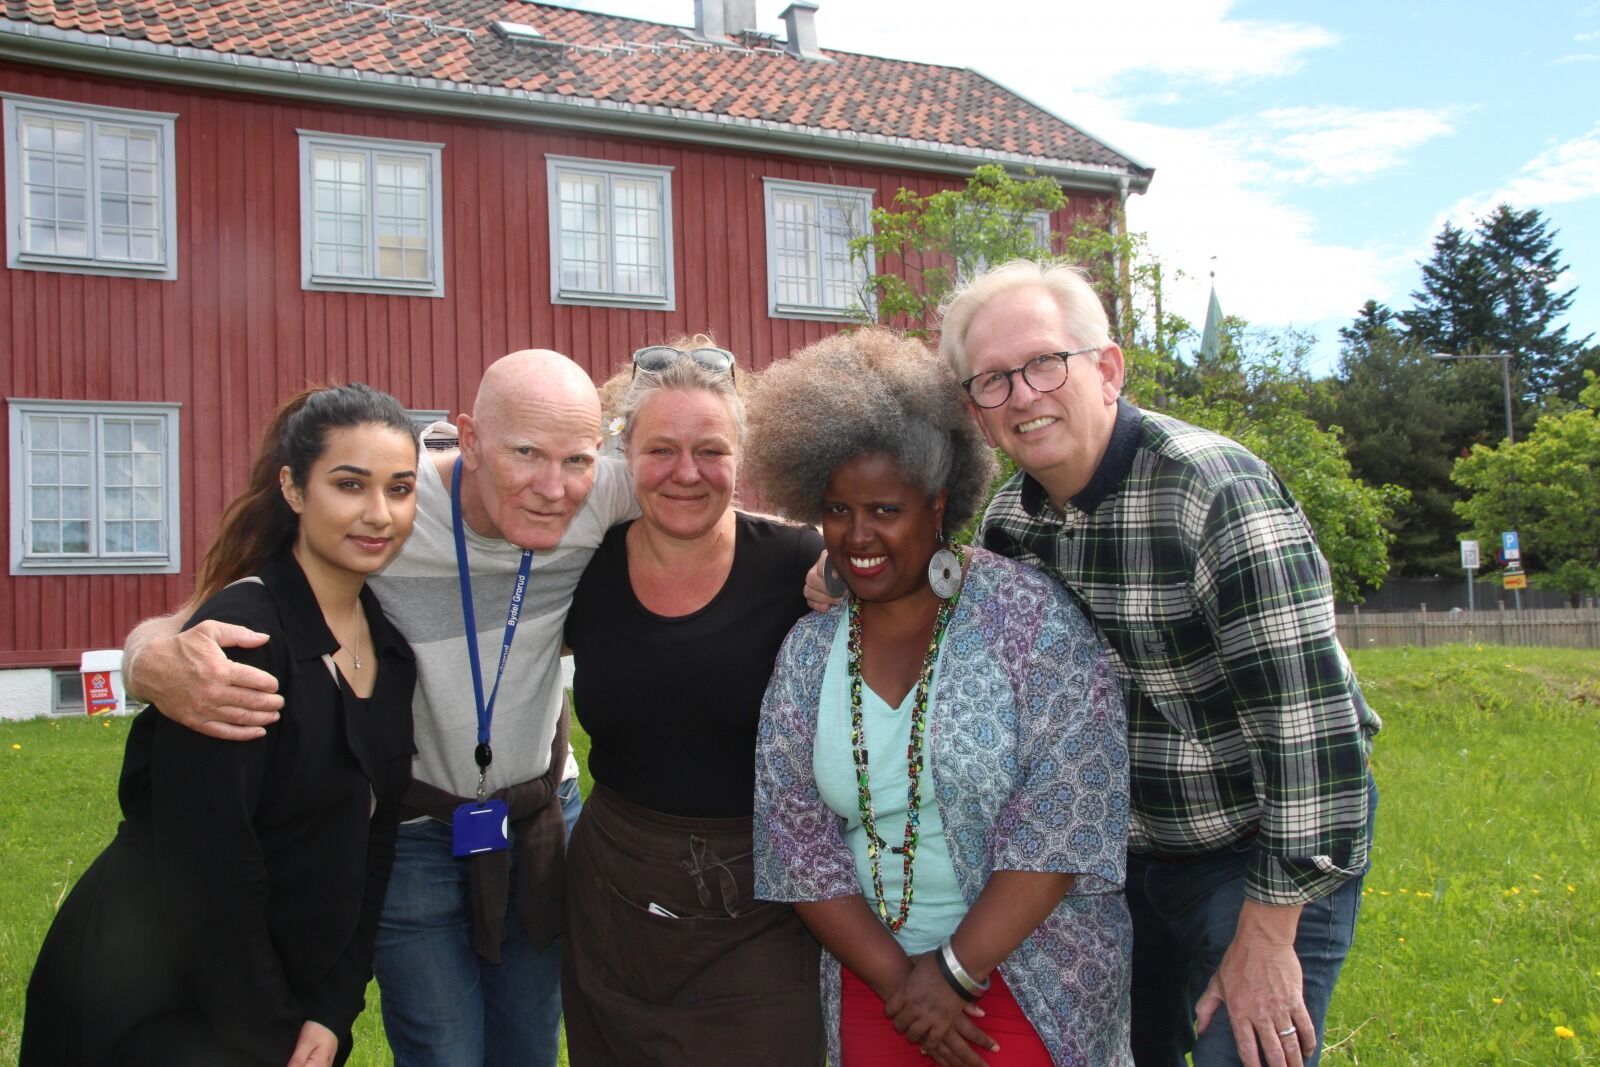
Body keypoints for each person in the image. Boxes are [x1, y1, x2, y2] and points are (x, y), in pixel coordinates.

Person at [121, 350, 639, 1067]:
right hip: (413, 832)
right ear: (471, 439)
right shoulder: (391, 503)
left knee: (529, 1044)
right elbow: (220, 606)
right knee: (442, 1051)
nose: (554, 487)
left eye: (577, 459)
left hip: (541, 816)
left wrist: (806, 563)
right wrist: (145, 662)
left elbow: (722, 510)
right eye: (525, 453)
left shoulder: (598, 491)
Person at [939, 260, 1380, 1067]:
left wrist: (1267, 933)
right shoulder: (1011, 527)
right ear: (977, 412)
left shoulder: (1212, 492)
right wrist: (838, 569)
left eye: (1045, 363)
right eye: (994, 380)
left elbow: (1311, 736)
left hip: (1261, 841)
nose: (1024, 395)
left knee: (1245, 1049)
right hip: (1123, 860)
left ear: (1107, 369)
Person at [747, 328, 1133, 1067]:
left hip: (1030, 970)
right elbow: (797, 843)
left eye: (885, 510)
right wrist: (906, 985)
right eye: (837, 509)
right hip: (878, 977)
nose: (857, 536)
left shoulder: (1028, 620)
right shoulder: (809, 651)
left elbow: (1065, 814)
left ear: (938, 503)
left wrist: (952, 972)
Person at [22, 383, 421, 1066]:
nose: (379, 513)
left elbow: (373, 843)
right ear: (293, 489)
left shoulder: (390, 652)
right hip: (153, 993)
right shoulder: (238, 642)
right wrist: (270, 1035)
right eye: (350, 485)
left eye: (400, 488)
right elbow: (208, 868)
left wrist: (332, 1008)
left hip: (277, 999)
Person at [560, 338, 826, 1064]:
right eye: (661, 450)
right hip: (614, 896)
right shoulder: (583, 566)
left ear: (743, 457)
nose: (686, 473)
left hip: (764, 901)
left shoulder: (801, 564)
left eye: (711, 451)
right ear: (624, 453)